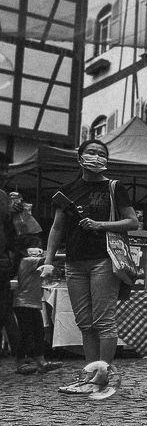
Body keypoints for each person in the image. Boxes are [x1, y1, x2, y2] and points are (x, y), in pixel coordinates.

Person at [40, 139, 139, 394]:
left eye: (101, 153)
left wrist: (100, 225)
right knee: (85, 322)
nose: (96, 157)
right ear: (80, 157)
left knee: (104, 320)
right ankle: (90, 376)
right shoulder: (67, 191)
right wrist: (49, 262)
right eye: (91, 152)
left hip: (104, 259)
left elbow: (132, 222)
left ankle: (101, 377)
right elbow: (57, 228)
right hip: (74, 262)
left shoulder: (114, 187)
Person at [13, 241, 62, 375]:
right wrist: (59, 253)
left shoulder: (23, 260)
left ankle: (41, 362)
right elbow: (50, 259)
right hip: (24, 303)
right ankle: (20, 363)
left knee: (38, 332)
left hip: (29, 303)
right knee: (26, 333)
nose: (39, 250)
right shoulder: (28, 261)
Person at [0, 158, 26, 371]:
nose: (4, 174)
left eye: (5, 170)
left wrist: (13, 258)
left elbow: (10, 232)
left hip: (1, 263)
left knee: (6, 310)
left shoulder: (3, 197)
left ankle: (20, 359)